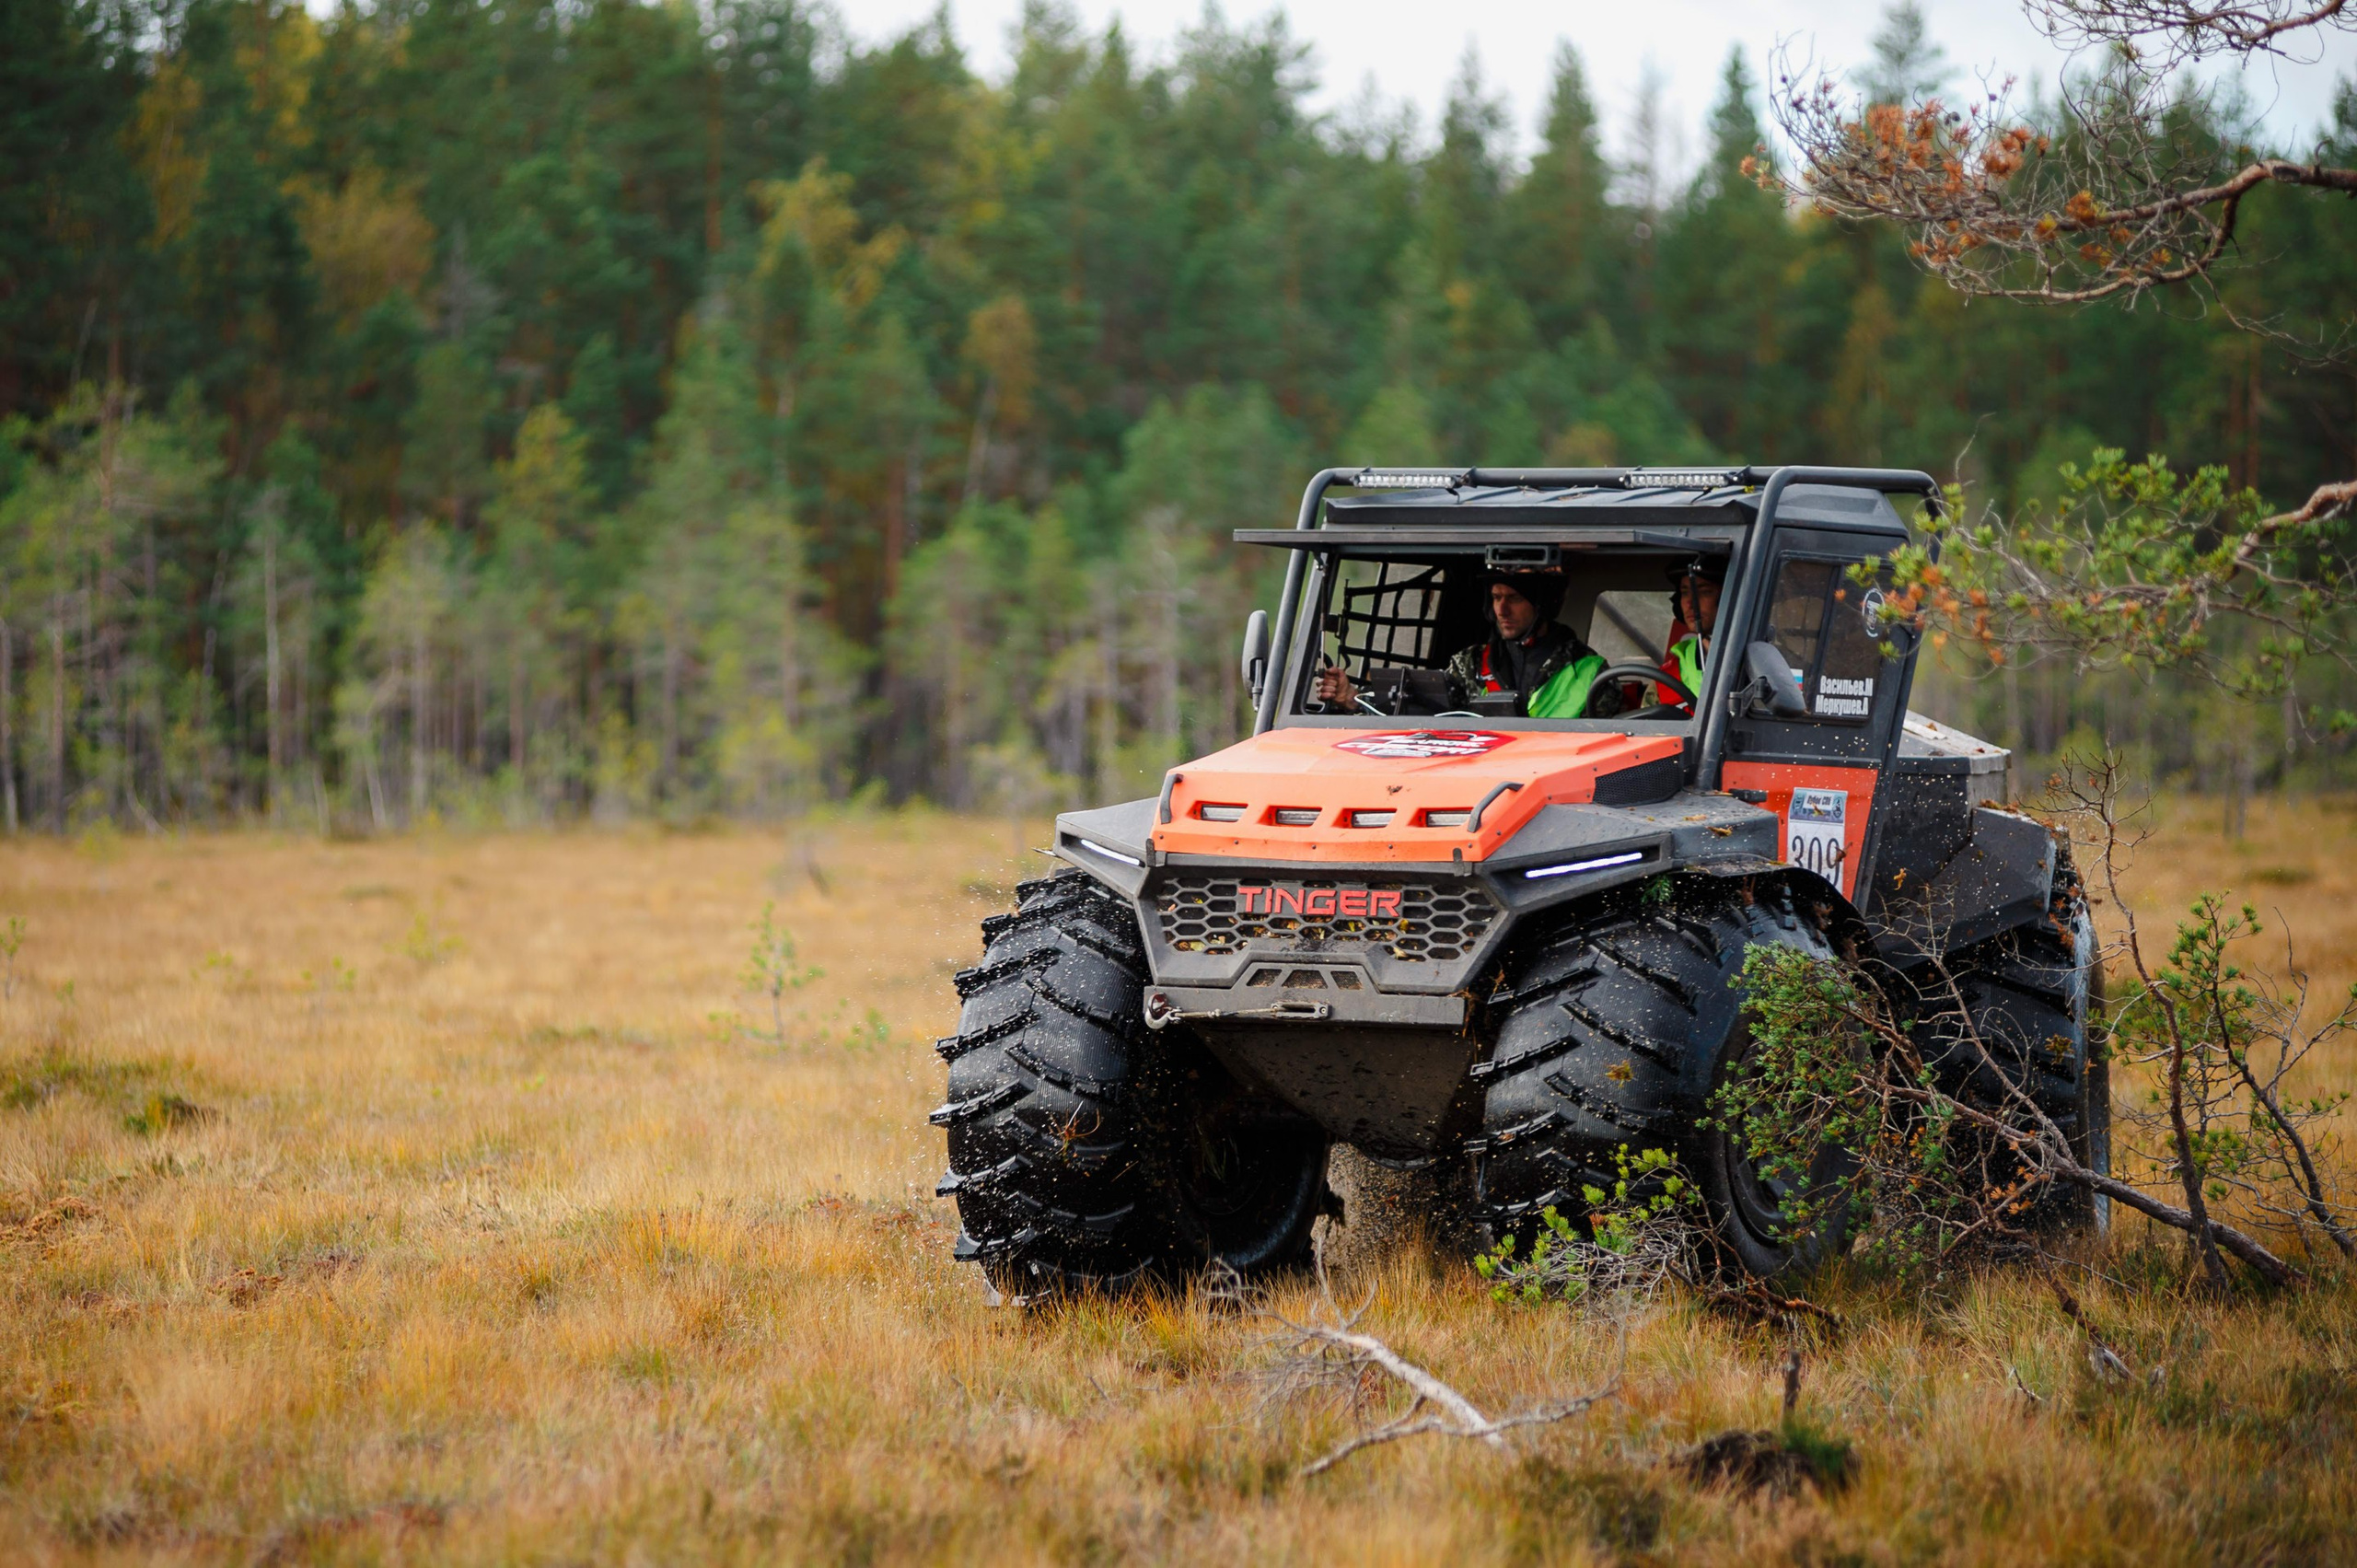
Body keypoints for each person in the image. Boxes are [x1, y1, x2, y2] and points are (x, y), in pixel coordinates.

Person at [1316, 570, 1623, 718]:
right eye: (1496, 598)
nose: (1502, 610)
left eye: (1514, 599)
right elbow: (1420, 717)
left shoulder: (1590, 671)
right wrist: (1354, 700)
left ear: (1542, 605)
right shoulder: (1469, 663)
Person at [1659, 557, 1724, 711]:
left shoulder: (1768, 662)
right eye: (1685, 593)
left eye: (1705, 592)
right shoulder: (1666, 677)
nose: (1690, 603)